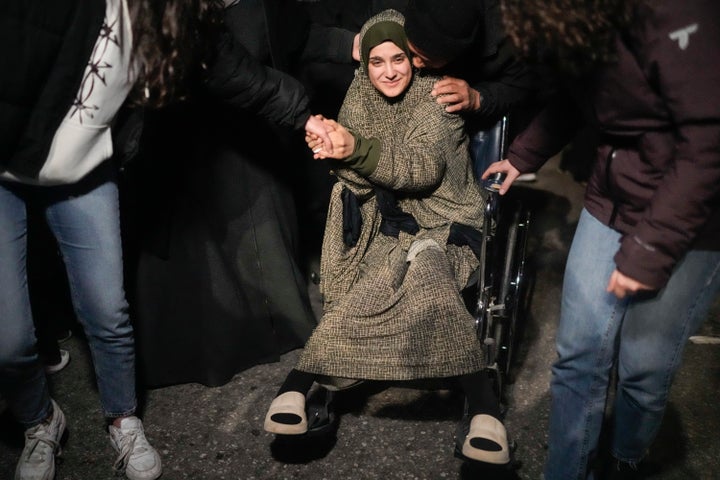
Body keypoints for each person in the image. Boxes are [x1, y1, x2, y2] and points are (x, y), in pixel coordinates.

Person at [0, 1, 333, 479]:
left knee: (107, 311)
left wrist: (305, 117)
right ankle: (39, 419)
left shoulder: (174, 14)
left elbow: (236, 73)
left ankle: (122, 416)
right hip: (7, 171)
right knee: (9, 341)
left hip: (85, 173)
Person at [482, 0, 720, 477]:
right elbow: (578, 95)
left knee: (642, 369)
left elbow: (707, 144)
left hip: (694, 216)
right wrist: (523, 155)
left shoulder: (674, 14)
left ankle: (625, 459)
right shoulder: (579, 21)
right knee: (578, 355)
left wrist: (646, 252)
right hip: (611, 197)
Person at [263, 9, 511, 466]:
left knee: (431, 275)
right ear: (364, 66)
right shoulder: (357, 102)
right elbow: (358, 188)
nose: (390, 70)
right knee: (374, 284)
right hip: (389, 227)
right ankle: (295, 390)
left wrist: (354, 149)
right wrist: (339, 154)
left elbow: (420, 170)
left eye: (398, 57)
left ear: (413, 59)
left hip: (446, 221)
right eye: (377, 62)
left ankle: (484, 411)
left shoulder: (436, 97)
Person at [126, 0, 321, 388]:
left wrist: (350, 46)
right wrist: (303, 114)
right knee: (197, 247)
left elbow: (295, 33)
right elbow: (230, 69)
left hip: (250, 121)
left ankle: (272, 323)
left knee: (258, 222)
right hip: (179, 124)